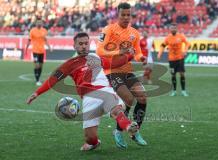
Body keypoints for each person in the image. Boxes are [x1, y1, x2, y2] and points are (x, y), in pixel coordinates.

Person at [26, 32, 138, 151]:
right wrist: (37, 93)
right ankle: (94, 143)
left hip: (105, 90)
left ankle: (128, 126)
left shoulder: (95, 57)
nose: (84, 46)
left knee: (116, 110)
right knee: (90, 138)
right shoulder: (70, 64)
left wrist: (129, 56)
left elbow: (114, 64)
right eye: (80, 44)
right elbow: (52, 79)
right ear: (74, 46)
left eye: (86, 43)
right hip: (88, 98)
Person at [96, 2, 148, 148]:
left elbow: (137, 52)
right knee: (129, 99)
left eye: (128, 15)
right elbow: (99, 50)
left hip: (127, 70)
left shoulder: (135, 33)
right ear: (117, 15)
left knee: (142, 97)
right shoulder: (109, 30)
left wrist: (141, 58)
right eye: (123, 15)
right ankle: (119, 131)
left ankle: (134, 131)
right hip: (112, 71)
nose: (126, 17)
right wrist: (119, 52)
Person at [158, 23, 190, 97]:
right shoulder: (168, 38)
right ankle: (174, 91)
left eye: (174, 28)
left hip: (180, 58)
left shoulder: (181, 36)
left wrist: (185, 51)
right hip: (172, 60)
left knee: (182, 73)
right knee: (173, 75)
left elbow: (187, 43)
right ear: (170, 29)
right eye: (172, 28)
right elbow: (162, 45)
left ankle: (183, 91)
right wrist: (159, 54)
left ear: (176, 29)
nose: (173, 29)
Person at [25, 19, 51, 86]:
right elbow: (29, 40)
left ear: (42, 23)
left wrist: (49, 47)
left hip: (42, 50)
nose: (39, 23)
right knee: (37, 65)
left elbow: (45, 40)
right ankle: (37, 80)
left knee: (41, 65)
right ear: (36, 23)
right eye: (38, 22)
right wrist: (26, 49)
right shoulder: (32, 31)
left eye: (40, 22)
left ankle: (38, 78)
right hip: (35, 50)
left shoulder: (44, 31)